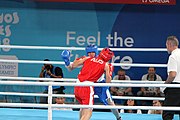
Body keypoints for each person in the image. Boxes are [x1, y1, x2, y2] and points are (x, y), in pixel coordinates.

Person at [61, 47, 116, 120]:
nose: (90, 54)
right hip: (87, 86)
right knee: (88, 112)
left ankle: (118, 117)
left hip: (78, 85)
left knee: (84, 108)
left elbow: (71, 67)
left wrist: (67, 62)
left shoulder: (87, 59)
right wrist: (109, 73)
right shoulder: (106, 65)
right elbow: (108, 82)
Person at [85, 45, 121, 120]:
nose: (90, 54)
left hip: (100, 84)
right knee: (85, 104)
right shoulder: (90, 60)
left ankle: (118, 117)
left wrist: (107, 71)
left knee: (110, 101)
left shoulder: (108, 65)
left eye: (92, 52)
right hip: (89, 83)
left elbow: (108, 82)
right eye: (89, 52)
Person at [162, 36, 180, 120]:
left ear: (169, 44)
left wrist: (165, 85)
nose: (166, 48)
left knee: (167, 114)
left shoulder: (173, 56)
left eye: (166, 45)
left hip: (175, 88)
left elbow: (172, 74)